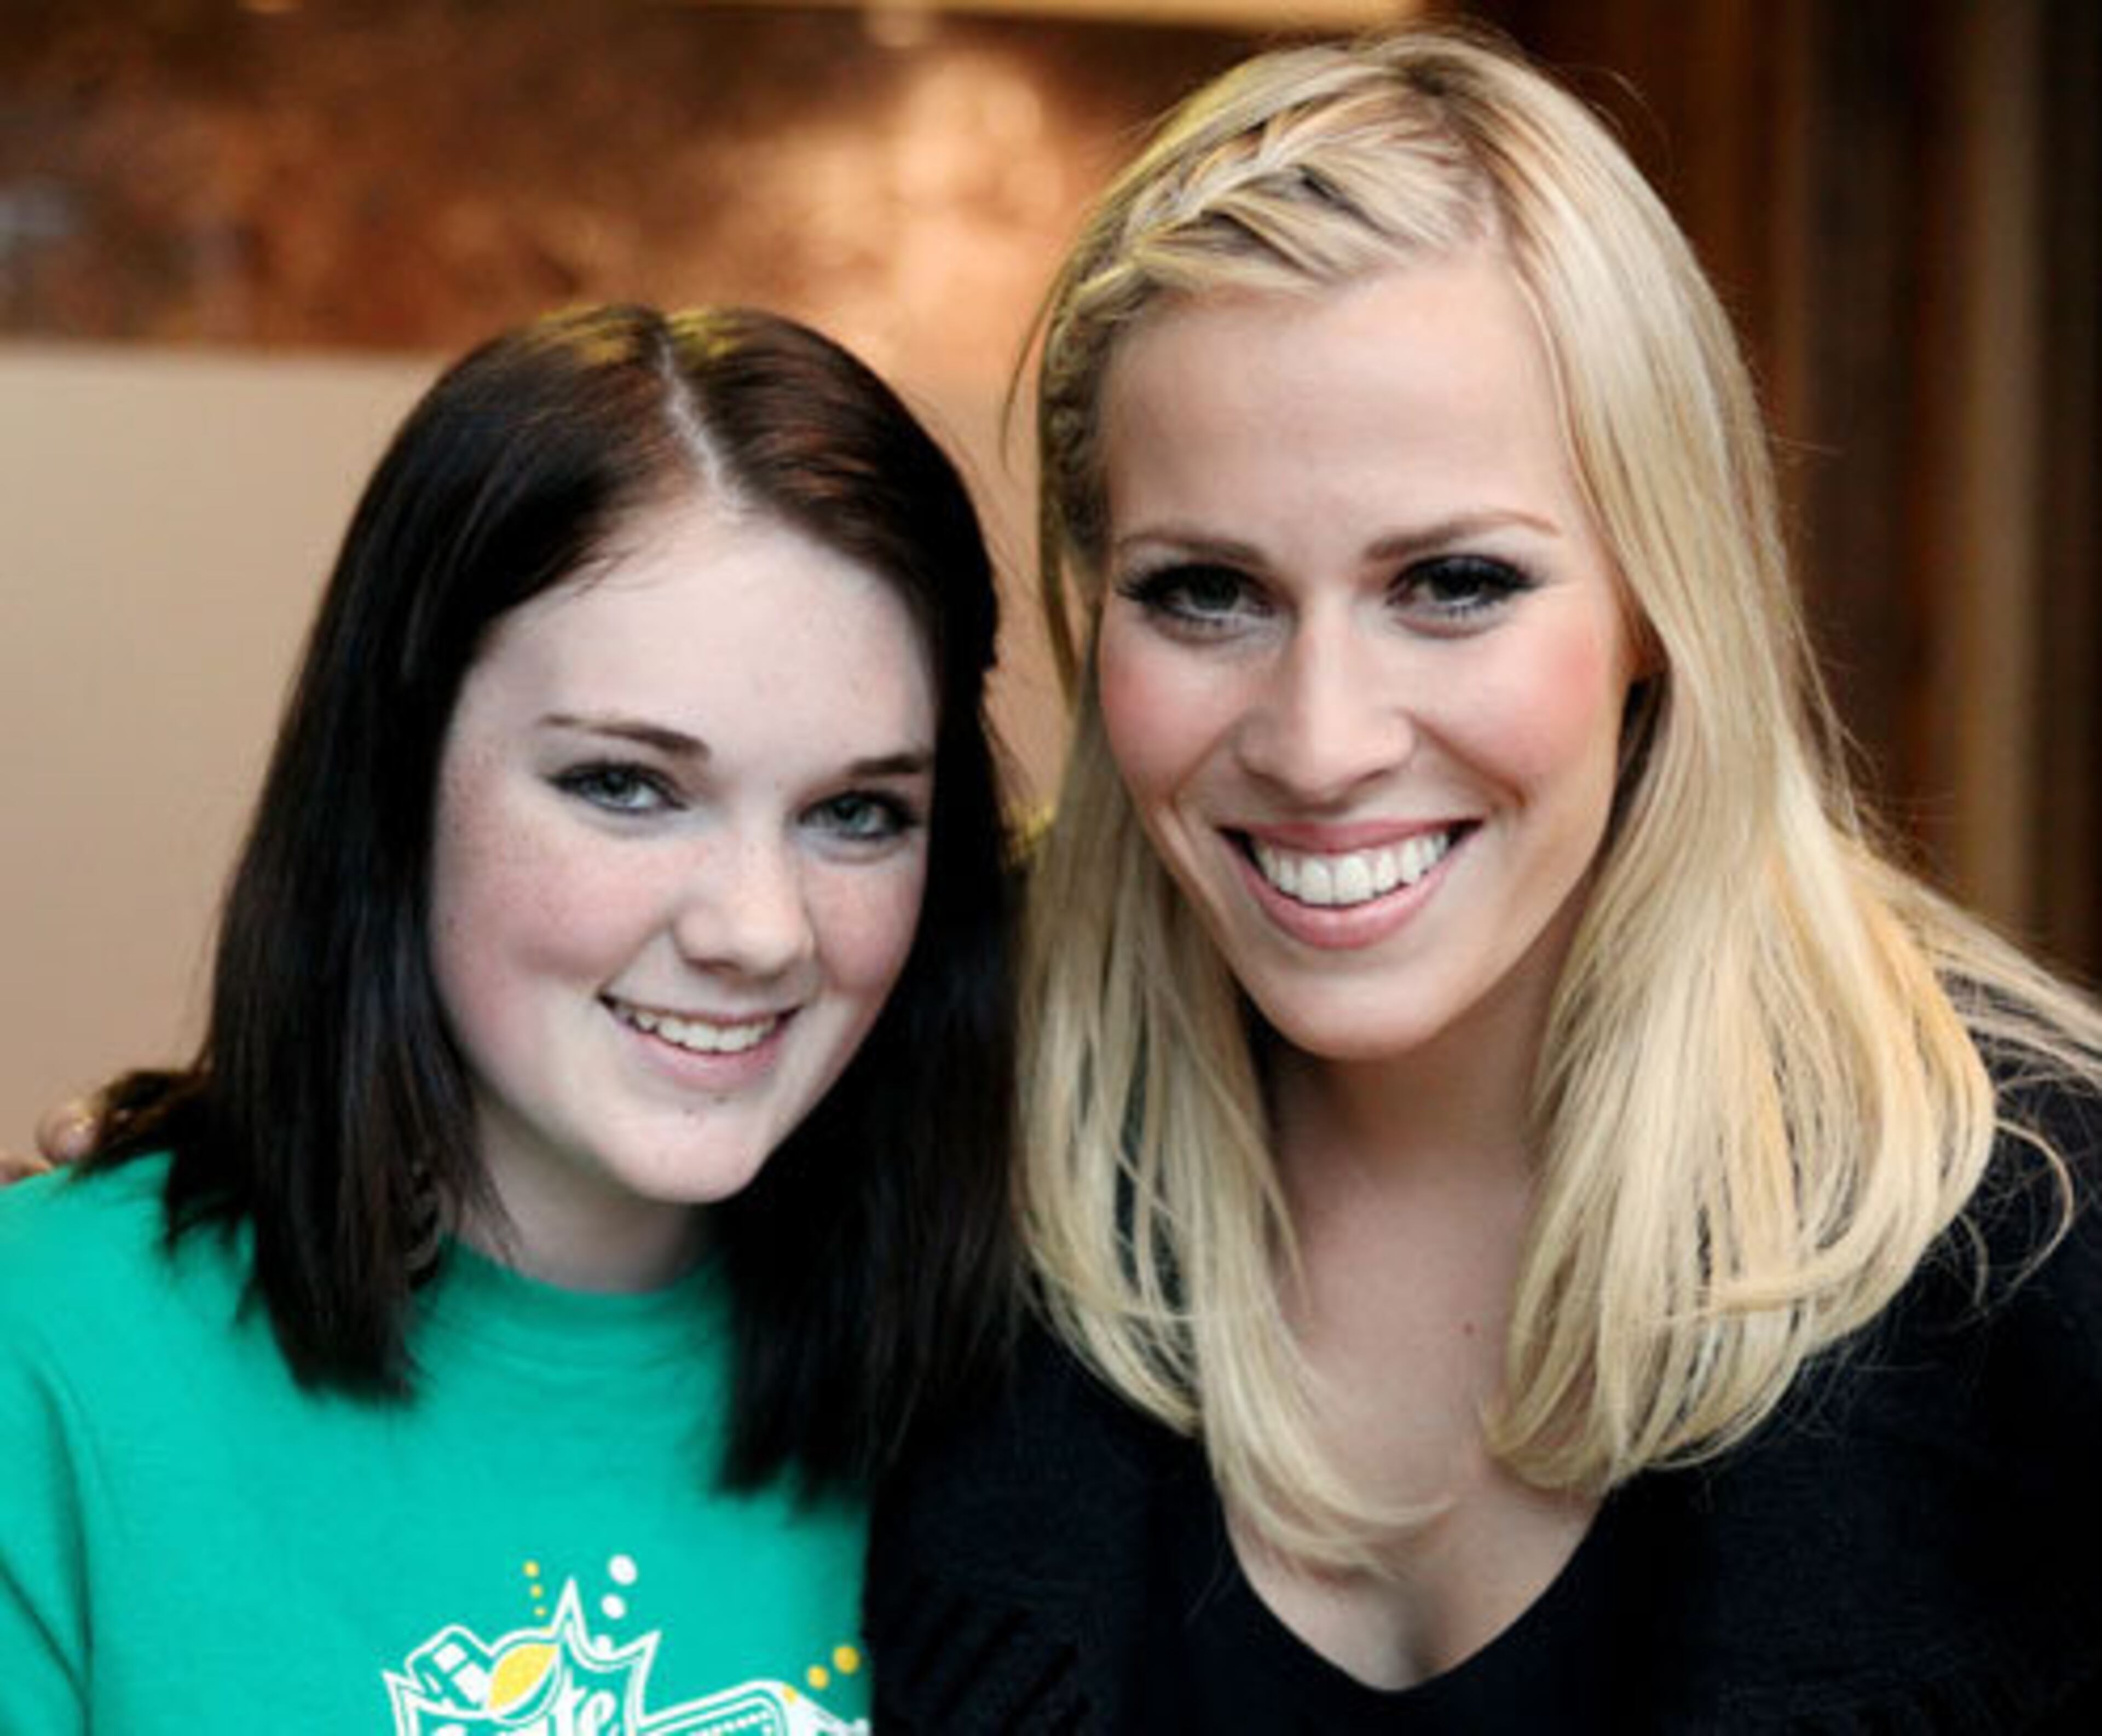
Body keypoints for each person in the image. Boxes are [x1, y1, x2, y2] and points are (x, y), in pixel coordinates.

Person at [864, 25, 2102, 1732]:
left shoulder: (2047, 1242)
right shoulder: (916, 1129)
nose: (1320, 741)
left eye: (1453, 582)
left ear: (1661, 598)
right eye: (1205, 591)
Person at [0, 302, 1016, 1731]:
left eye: (857, 812)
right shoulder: (50, 1352)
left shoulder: (1034, 1396)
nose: (761, 929)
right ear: (396, 775)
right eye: (626, 785)